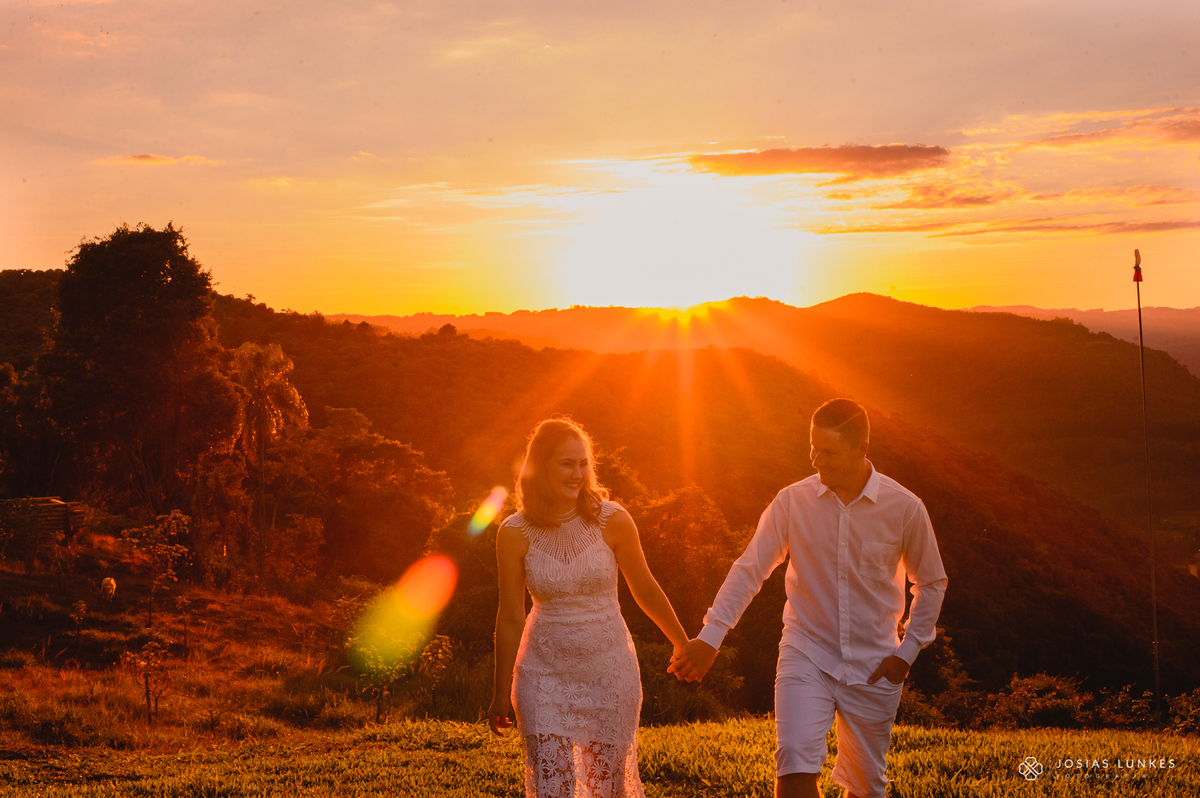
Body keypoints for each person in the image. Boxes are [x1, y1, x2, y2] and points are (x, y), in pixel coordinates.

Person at [669, 399, 947, 798]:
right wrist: (711, 637)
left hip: (875, 664)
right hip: (806, 651)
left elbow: (931, 583)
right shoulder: (792, 501)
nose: (817, 462)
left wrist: (907, 652)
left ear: (861, 449)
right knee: (795, 766)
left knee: (866, 787)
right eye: (813, 449)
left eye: (829, 453)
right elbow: (750, 569)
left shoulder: (905, 508)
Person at [488, 417, 689, 797]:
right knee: (553, 788)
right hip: (542, 675)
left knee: (605, 788)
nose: (578, 473)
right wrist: (501, 690)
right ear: (540, 466)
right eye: (566, 463)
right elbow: (511, 616)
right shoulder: (513, 533)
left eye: (583, 463)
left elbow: (644, 587)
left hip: (608, 672)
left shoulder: (612, 519)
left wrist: (681, 642)